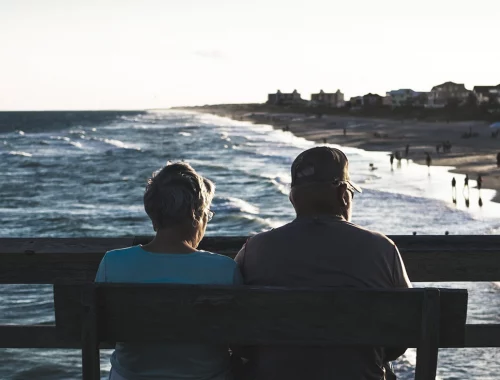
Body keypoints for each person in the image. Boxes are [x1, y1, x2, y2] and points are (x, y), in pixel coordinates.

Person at [235, 147, 411, 380]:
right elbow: (407, 328)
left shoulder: (253, 249)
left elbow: (234, 328)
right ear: (343, 194)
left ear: (293, 198)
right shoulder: (383, 248)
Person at [95, 162, 242, 380]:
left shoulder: (112, 263)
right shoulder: (224, 269)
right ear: (197, 215)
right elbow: (241, 339)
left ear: (153, 215)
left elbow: (101, 333)